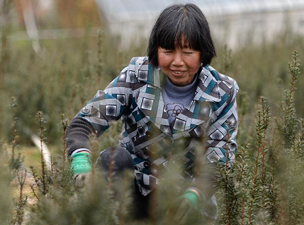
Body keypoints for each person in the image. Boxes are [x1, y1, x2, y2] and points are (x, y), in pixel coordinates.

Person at [65, 3, 239, 223]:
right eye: (168, 51)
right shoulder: (136, 77)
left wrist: (196, 195)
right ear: (156, 50)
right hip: (135, 190)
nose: (178, 62)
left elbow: (221, 156)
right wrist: (81, 162)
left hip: (185, 199)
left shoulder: (221, 92)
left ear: (203, 52)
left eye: (188, 52)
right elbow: (84, 124)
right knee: (113, 159)